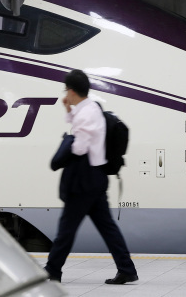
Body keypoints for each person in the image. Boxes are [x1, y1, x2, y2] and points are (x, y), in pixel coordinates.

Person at [45, 69, 138, 285]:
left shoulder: (87, 113)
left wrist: (66, 146)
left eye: (67, 90)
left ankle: (52, 269)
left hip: (83, 179)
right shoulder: (90, 107)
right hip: (95, 177)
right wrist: (68, 109)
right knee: (107, 228)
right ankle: (127, 269)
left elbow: (79, 148)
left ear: (71, 90)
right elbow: (79, 125)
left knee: (67, 228)